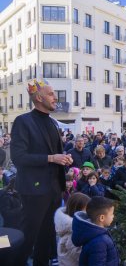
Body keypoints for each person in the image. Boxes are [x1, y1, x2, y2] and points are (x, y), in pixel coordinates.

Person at [11, 80, 73, 266]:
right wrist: (51, 158)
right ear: (39, 98)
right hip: (34, 191)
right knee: (28, 235)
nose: (56, 98)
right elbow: (18, 157)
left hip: (54, 189)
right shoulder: (23, 121)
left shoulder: (52, 123)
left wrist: (63, 158)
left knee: (46, 236)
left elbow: (53, 154)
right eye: (51, 94)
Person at [72, 196, 119, 266]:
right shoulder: (99, 243)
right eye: (112, 214)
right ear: (102, 218)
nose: (113, 216)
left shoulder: (95, 235)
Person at [54, 193, 90, 266]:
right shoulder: (73, 232)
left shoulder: (69, 227)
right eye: (86, 209)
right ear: (77, 210)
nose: (89, 212)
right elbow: (79, 255)